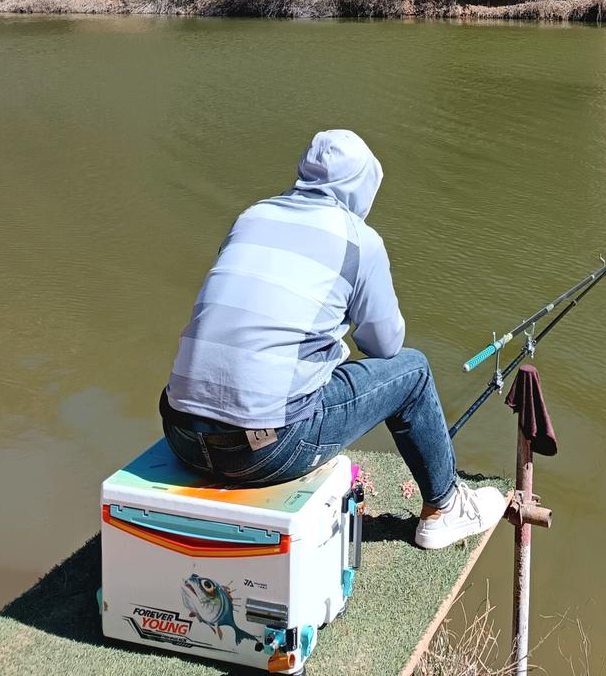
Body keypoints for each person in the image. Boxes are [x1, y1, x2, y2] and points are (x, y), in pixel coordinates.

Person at [160, 129, 505, 550]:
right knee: (413, 371)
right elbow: (386, 346)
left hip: (181, 436)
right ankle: (446, 507)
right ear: (364, 186)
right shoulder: (360, 241)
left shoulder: (252, 216)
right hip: (265, 452)